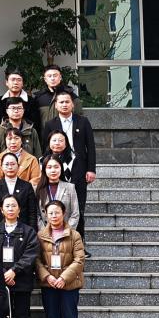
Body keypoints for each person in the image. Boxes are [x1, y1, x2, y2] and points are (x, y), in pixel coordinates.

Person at [42, 90, 96, 248]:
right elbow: (46, 148)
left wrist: (91, 169)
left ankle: (79, 244)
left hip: (79, 168)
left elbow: (90, 147)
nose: (64, 105)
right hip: (57, 168)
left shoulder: (83, 122)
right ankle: (55, 241)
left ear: (73, 104)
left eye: (67, 102)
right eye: (61, 102)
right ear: (56, 105)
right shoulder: (50, 124)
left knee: (78, 207)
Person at [36, 200, 86, 318]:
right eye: (50, 213)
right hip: (49, 284)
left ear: (63, 213)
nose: (54, 216)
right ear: (46, 215)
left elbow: (79, 260)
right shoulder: (40, 236)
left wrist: (64, 278)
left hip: (69, 284)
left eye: (57, 212)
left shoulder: (74, 235)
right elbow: (36, 260)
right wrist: (47, 277)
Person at [0, 152, 40, 230]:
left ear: (18, 166)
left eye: (13, 164)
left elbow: (32, 212)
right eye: (7, 164)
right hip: (1, 230)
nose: (10, 167)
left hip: (23, 229)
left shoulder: (27, 186)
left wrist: (32, 231)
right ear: (1, 166)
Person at [36, 154, 81, 232]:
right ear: (44, 170)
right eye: (49, 167)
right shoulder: (37, 188)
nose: (53, 170)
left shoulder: (70, 187)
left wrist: (65, 232)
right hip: (44, 234)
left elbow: (75, 214)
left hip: (66, 233)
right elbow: (36, 215)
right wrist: (45, 233)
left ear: (61, 168)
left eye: (56, 167)